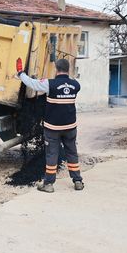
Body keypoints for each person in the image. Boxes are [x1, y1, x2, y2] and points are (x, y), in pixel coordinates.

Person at [16, 58, 84, 193]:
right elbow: (69, 87)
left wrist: (20, 73)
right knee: (72, 153)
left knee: (52, 154)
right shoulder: (76, 85)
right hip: (70, 127)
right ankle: (77, 181)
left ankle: (48, 184)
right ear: (68, 69)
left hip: (53, 128)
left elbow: (33, 84)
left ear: (56, 69)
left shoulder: (49, 84)